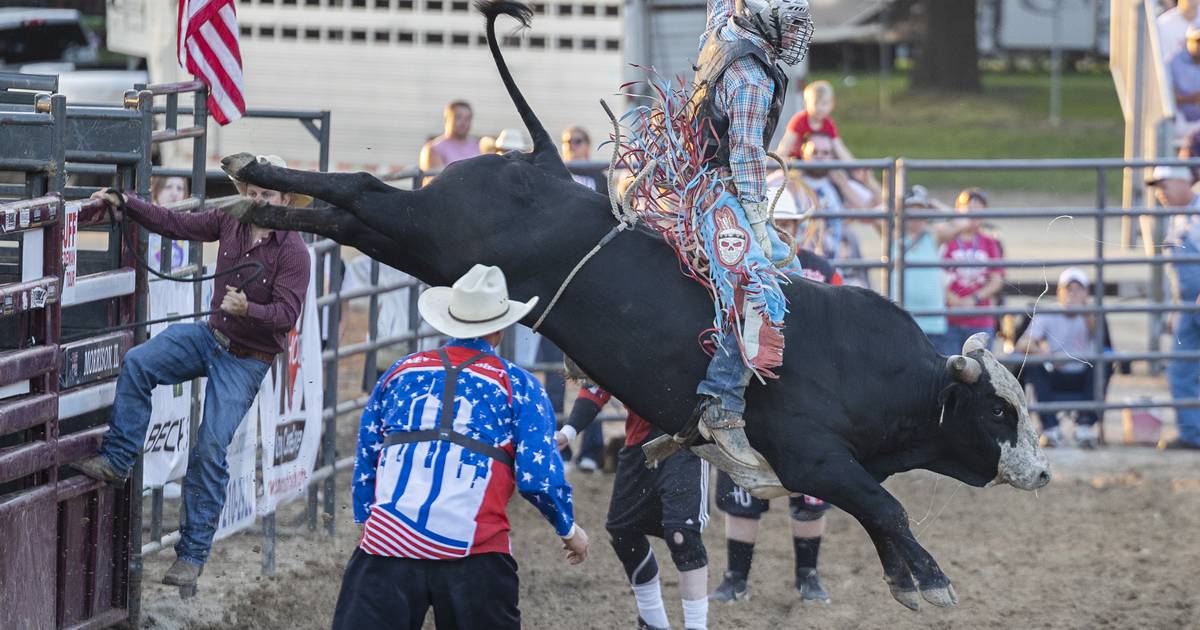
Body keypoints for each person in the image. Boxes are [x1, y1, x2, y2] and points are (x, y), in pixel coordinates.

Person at [71, 155, 313, 588]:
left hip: (247, 359)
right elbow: (175, 223)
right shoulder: (230, 220)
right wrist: (126, 202)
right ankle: (119, 457)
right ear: (244, 193)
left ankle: (193, 553)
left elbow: (287, 315)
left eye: (267, 194)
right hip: (212, 336)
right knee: (139, 362)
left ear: (284, 199)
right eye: (253, 192)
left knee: (209, 446)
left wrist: (248, 308)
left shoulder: (293, 251)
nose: (257, 200)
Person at [333, 264, 589, 629]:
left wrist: (365, 519)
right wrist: (569, 530)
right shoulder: (519, 385)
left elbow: (367, 454)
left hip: (387, 548)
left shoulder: (400, 372)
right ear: (500, 328)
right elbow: (537, 478)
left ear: (449, 320)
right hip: (474, 552)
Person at [684, 0, 815, 466]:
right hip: (718, 192)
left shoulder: (724, 25)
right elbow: (744, 157)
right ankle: (721, 402)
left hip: (701, 179)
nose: (798, 30)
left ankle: (769, 383)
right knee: (761, 286)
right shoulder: (752, 77)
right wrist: (758, 220)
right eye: (789, 18)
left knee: (792, 270)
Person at [708, 249, 836, 606]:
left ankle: (807, 575)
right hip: (756, 395)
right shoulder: (739, 261)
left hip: (805, 396)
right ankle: (736, 578)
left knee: (810, 493)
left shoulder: (822, 268)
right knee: (742, 489)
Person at [557, 384, 711, 630]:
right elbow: (598, 379)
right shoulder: (618, 344)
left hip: (686, 436)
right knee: (623, 533)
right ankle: (653, 622)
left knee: (683, 535)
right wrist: (569, 430)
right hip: (639, 439)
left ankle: (696, 626)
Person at [1014, 267, 1114, 449]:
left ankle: (1085, 426)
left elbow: (1100, 340)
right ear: (1060, 292)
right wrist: (1048, 356)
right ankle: (1050, 428)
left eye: (1078, 289)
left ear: (1086, 294)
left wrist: (1084, 311)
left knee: (1104, 366)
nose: (1073, 294)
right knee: (1033, 365)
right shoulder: (1047, 314)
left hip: (1084, 374)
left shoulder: (1094, 315)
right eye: (1069, 289)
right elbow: (1023, 344)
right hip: (1055, 373)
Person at [1145, 165, 1200, 450]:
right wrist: (1173, 308)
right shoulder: (1177, 219)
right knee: (1181, 370)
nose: (1161, 194)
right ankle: (1193, 434)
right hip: (1186, 305)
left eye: (1164, 186)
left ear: (1182, 182)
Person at [891, 185, 970, 355]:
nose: (916, 216)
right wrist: (895, 205)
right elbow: (871, 212)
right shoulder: (892, 236)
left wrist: (935, 204)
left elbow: (964, 222)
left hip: (933, 323)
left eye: (921, 210)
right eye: (911, 210)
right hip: (900, 322)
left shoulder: (933, 236)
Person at [796, 133, 872, 287]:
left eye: (825, 153)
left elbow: (868, 212)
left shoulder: (838, 183)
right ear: (803, 152)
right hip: (803, 270)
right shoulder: (791, 182)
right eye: (814, 152)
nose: (820, 157)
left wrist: (844, 186)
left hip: (834, 268)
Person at [943, 187, 1005, 351]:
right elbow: (934, 274)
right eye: (969, 208)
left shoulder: (989, 243)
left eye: (978, 210)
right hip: (949, 320)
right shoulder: (946, 241)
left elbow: (996, 279)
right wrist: (952, 299)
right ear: (958, 210)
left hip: (980, 321)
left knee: (980, 371)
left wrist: (975, 298)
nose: (973, 215)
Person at [776, 80, 853, 161]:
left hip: (821, 164)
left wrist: (854, 167)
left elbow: (839, 148)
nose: (820, 108)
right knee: (782, 172)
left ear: (831, 104)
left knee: (839, 172)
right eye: (815, 103)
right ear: (806, 103)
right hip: (799, 163)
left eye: (824, 103)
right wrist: (778, 159)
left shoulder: (828, 123)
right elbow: (785, 146)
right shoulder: (800, 120)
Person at [419, 100, 481, 171]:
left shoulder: (477, 145)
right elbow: (438, 180)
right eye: (458, 117)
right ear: (446, 119)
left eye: (467, 118)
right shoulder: (434, 149)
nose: (463, 123)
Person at [147, 176, 189, 269]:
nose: (174, 193)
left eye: (179, 188)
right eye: (168, 187)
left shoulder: (188, 222)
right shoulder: (147, 218)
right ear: (156, 190)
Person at [562, 126, 609, 195]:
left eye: (577, 141)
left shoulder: (600, 178)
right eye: (568, 141)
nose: (571, 145)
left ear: (587, 145)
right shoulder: (554, 174)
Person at [1170, 25, 1200, 133]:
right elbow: (1168, 96)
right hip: (1180, 122)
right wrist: (1191, 99)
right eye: (1197, 41)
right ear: (1187, 41)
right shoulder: (1174, 62)